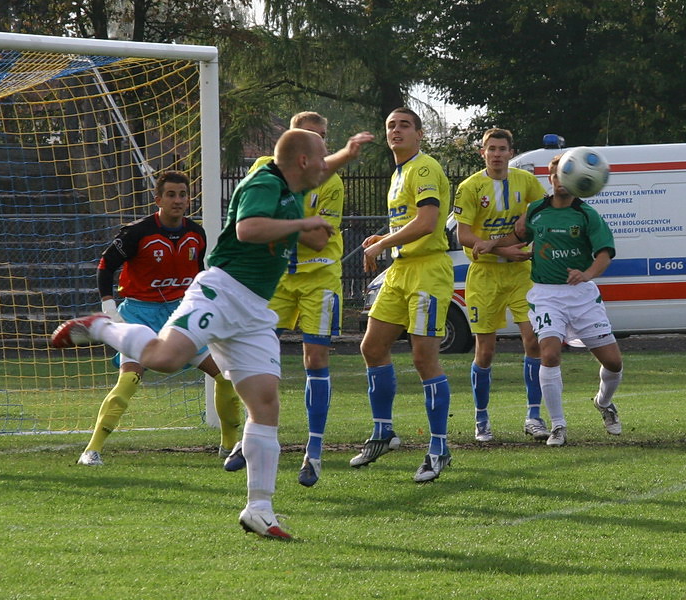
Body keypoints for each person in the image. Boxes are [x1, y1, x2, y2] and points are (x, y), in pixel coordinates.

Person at [52, 128, 372, 540]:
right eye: (323, 155)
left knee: (266, 402)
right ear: (303, 162)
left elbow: (322, 169)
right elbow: (248, 230)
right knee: (166, 359)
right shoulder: (264, 182)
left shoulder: (294, 182)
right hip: (220, 292)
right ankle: (100, 326)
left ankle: (260, 509)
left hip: (255, 310)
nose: (327, 165)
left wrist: (348, 151)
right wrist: (305, 223)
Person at [77, 170, 242, 467]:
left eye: (182, 194)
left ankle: (229, 447)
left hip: (180, 314)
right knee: (129, 378)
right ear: (158, 200)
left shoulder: (196, 233)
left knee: (225, 375)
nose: (178, 200)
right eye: (171, 195)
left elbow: (198, 272)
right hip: (139, 313)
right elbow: (105, 266)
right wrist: (108, 305)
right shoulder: (136, 232)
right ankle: (91, 450)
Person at [223, 112, 346, 487]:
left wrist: (283, 221)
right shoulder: (263, 169)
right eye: (315, 138)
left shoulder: (332, 182)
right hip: (276, 277)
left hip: (319, 276)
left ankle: (315, 451)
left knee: (315, 357)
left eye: (325, 138)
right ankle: (251, 435)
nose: (322, 148)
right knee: (254, 353)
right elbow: (253, 221)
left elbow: (320, 239)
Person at [474, 152, 624, 447]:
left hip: (581, 297)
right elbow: (517, 235)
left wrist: (587, 273)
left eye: (565, 175)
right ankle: (558, 425)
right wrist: (492, 244)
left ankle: (603, 402)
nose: (560, 180)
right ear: (551, 179)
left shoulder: (586, 214)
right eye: (556, 175)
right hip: (546, 295)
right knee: (550, 354)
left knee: (614, 363)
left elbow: (604, 253)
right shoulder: (536, 210)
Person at [352, 107, 454, 482]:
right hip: (401, 270)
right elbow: (410, 223)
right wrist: (385, 239)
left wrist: (381, 246)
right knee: (372, 347)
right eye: (391, 125)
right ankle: (383, 432)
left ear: (419, 134)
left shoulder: (423, 167)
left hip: (428, 272)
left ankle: (439, 449)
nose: (396, 131)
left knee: (424, 358)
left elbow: (427, 222)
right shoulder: (399, 174)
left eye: (404, 126)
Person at [453, 128, 546, 443]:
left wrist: (529, 221)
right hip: (485, 276)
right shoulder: (470, 187)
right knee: (486, 350)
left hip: (522, 274)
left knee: (533, 340)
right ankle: (481, 419)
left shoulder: (526, 181)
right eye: (491, 148)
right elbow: (462, 235)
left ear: (510, 152)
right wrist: (501, 248)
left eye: (502, 148)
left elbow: (542, 214)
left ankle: (534, 415)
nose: (496, 154)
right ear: (482, 153)